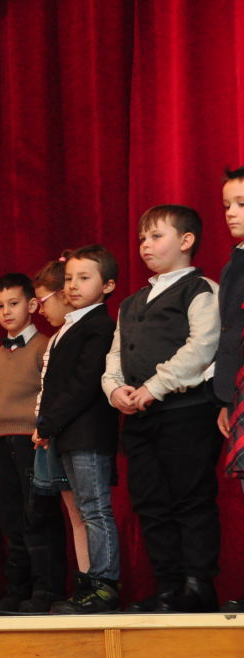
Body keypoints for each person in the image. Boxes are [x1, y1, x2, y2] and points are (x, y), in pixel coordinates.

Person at [102, 205, 221, 612]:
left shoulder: (200, 289)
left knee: (190, 498)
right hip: (141, 416)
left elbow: (202, 346)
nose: (145, 245)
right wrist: (115, 389)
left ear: (186, 241)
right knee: (150, 502)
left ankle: (197, 586)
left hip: (187, 411)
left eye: (156, 236)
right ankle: (168, 587)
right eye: (142, 238)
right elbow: (115, 355)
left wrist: (155, 386)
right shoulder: (131, 302)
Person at [36, 245, 120, 614]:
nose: (73, 285)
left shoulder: (100, 326)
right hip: (69, 433)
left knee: (95, 508)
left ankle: (104, 584)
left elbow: (85, 383)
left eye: (83, 278)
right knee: (85, 509)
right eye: (69, 278)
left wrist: (48, 422)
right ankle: (89, 581)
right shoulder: (71, 326)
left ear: (107, 286)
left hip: (88, 432)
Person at [0, 274, 67, 613]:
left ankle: (46, 590)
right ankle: (17, 590)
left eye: (13, 303)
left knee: (39, 515)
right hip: (2, 441)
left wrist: (42, 432)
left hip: (32, 440)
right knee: (12, 518)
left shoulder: (44, 346)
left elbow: (49, 395)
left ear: (32, 305)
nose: (6, 311)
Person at [30, 256, 90, 601]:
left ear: (64, 294)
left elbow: (75, 388)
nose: (40, 310)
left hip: (74, 434)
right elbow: (46, 388)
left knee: (87, 513)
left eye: (43, 301)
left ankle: (94, 582)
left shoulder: (81, 332)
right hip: (52, 433)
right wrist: (41, 424)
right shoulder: (55, 338)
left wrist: (49, 424)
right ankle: (83, 583)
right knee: (73, 514)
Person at [216, 167, 244, 613]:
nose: (232, 213)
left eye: (241, 204)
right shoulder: (233, 263)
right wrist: (225, 396)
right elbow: (228, 334)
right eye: (227, 205)